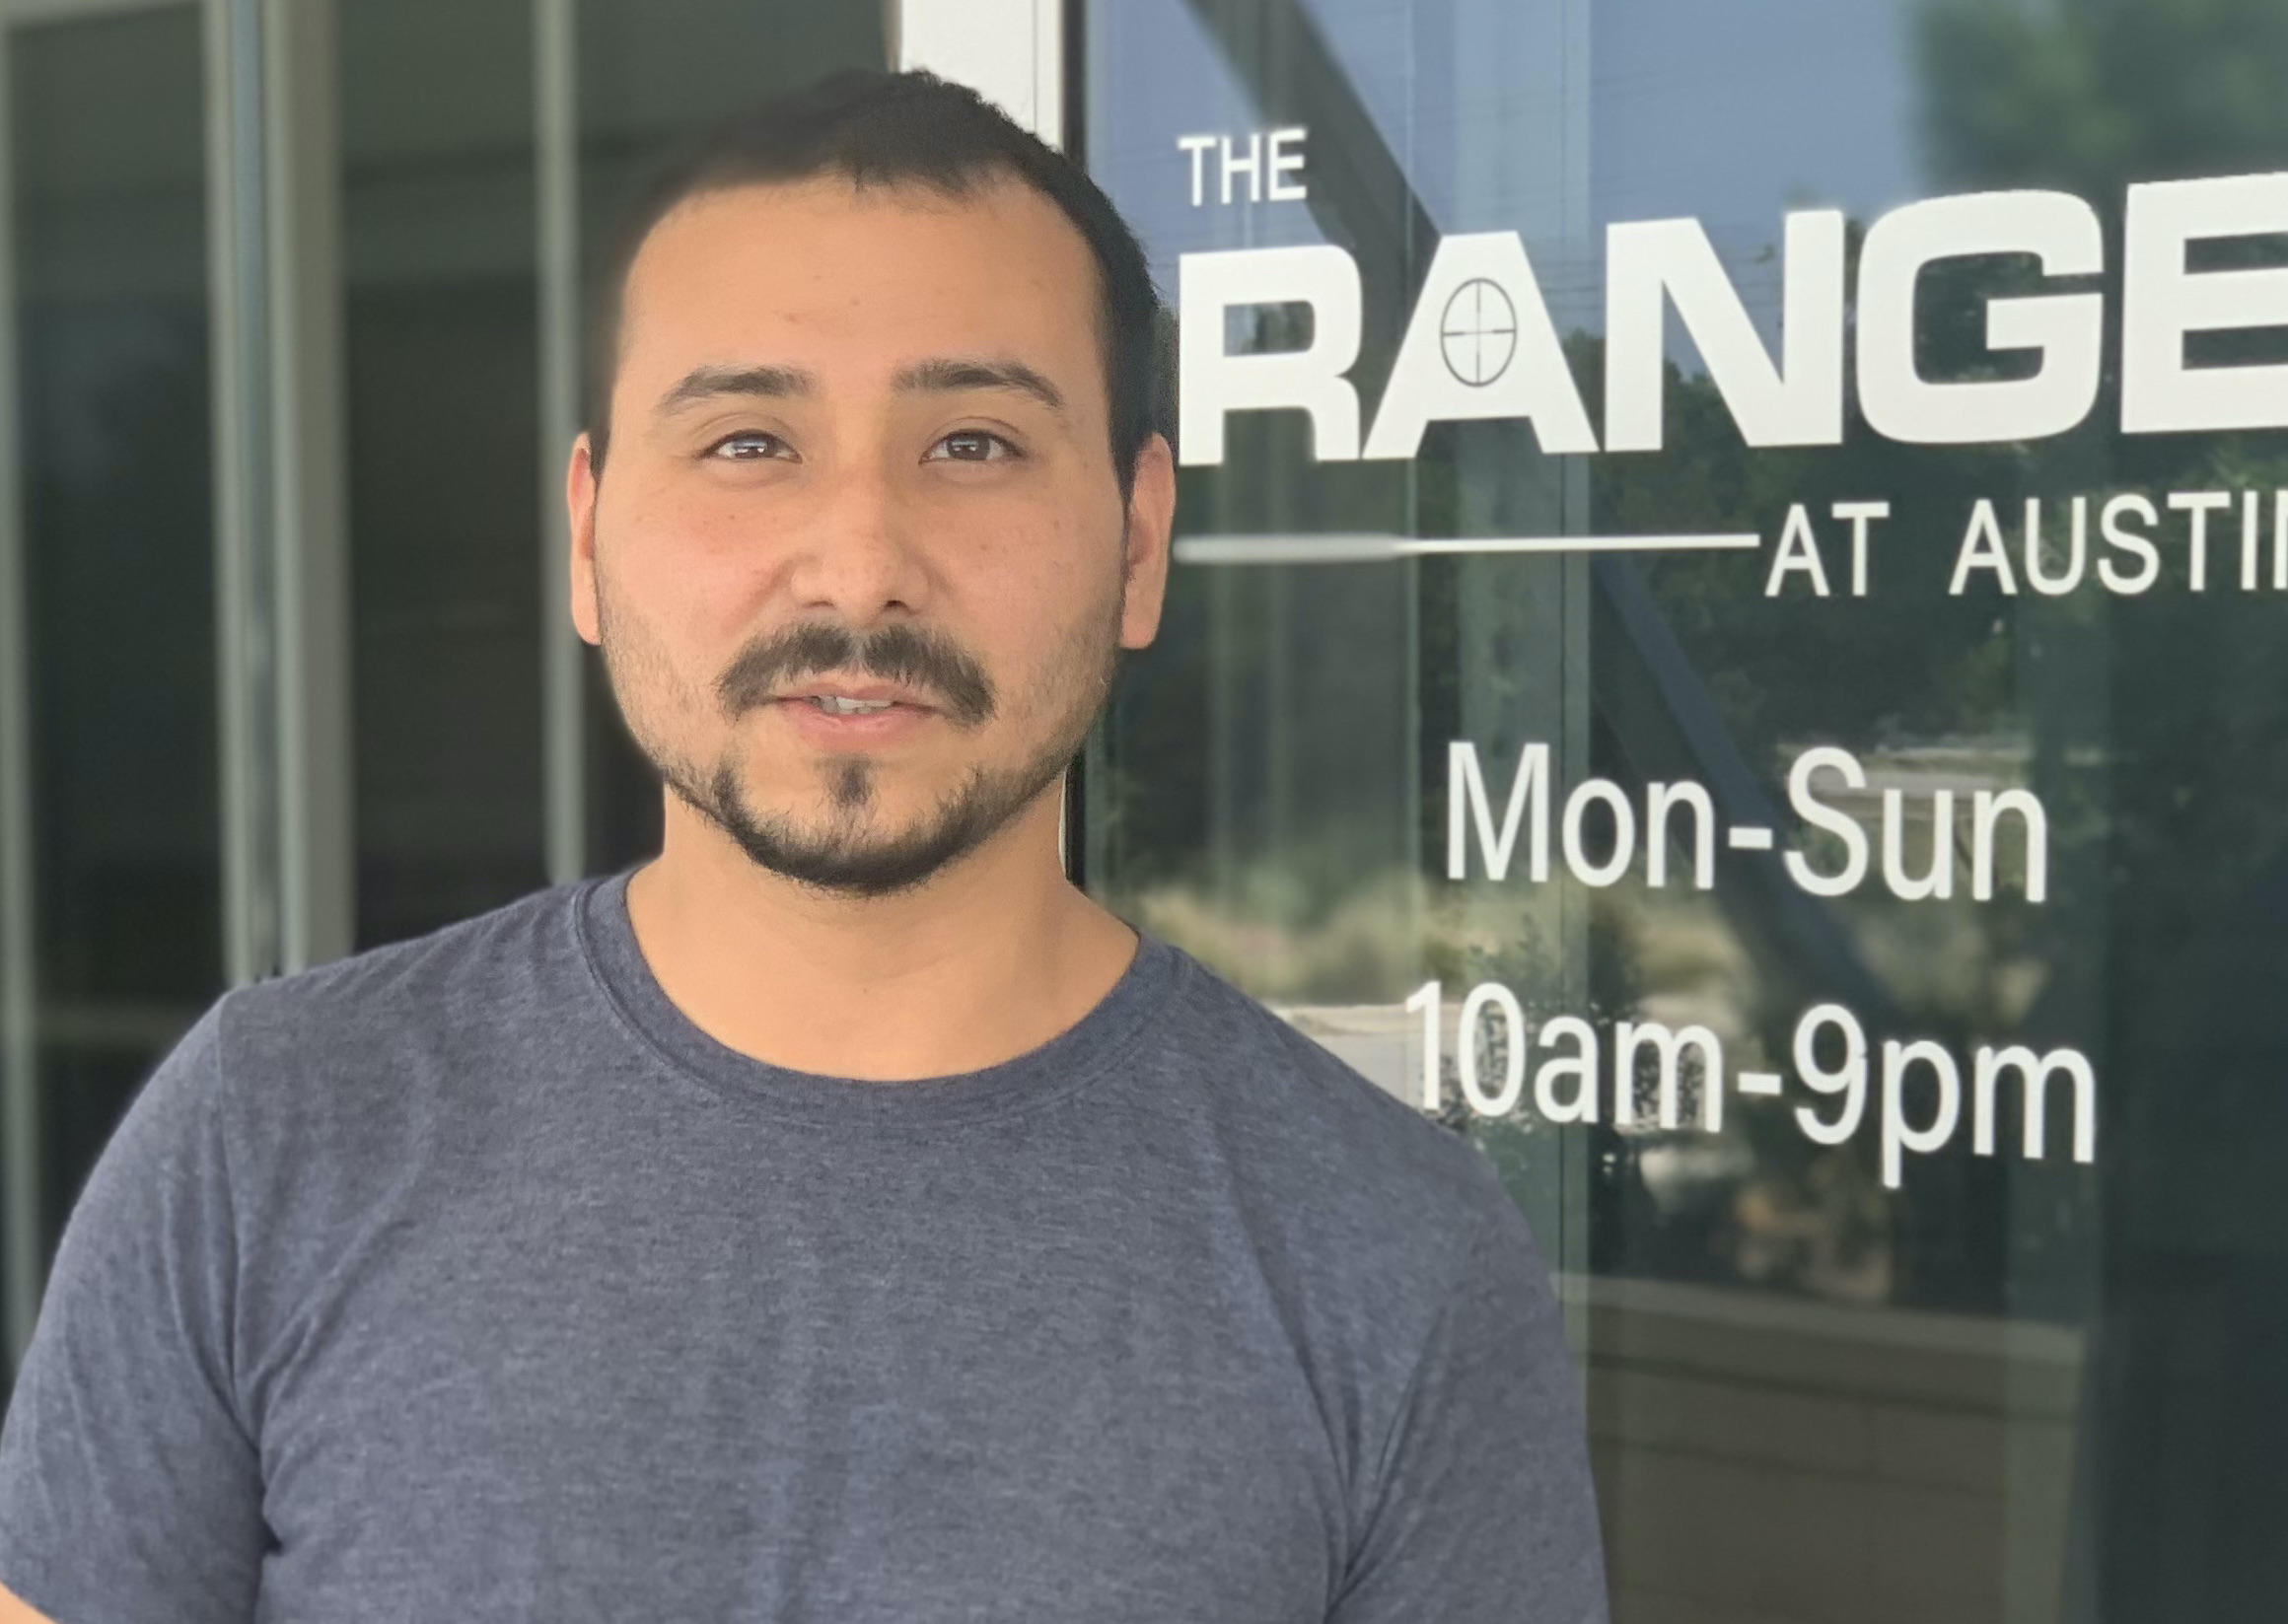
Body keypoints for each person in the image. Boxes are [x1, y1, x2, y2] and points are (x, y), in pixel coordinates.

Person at [0, 69, 1606, 1622]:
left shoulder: (1393, 1260)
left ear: (1136, 540)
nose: (857, 568)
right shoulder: (269, 1134)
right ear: (586, 536)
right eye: (748, 444)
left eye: (971, 442)